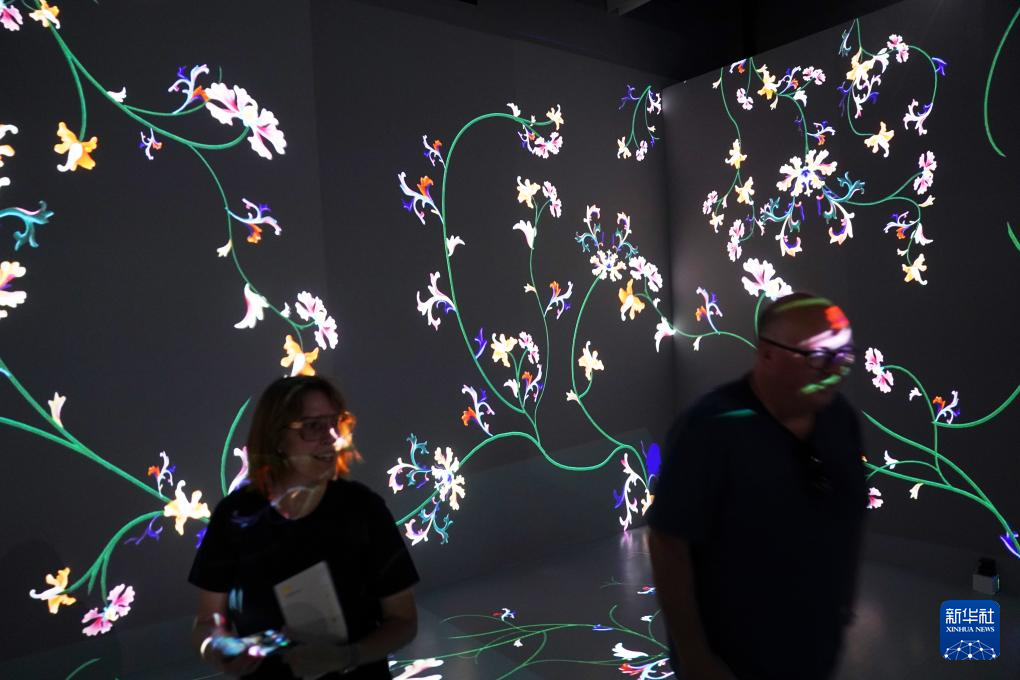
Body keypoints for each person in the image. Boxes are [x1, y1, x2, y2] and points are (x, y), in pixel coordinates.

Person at [647, 292, 868, 680]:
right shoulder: (710, 429)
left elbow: (849, 511)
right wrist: (695, 658)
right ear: (767, 354)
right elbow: (668, 544)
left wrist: (843, 596)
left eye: (843, 356)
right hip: (736, 657)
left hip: (815, 646)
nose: (835, 371)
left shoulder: (839, 417)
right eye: (818, 357)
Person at [189, 375, 420, 679]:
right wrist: (221, 650)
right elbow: (207, 623)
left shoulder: (364, 509)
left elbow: (404, 621)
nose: (330, 436)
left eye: (335, 423)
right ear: (277, 438)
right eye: (313, 426)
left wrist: (347, 657)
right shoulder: (234, 516)